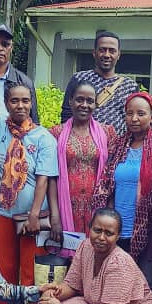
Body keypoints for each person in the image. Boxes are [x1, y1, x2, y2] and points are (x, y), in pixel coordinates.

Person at [0, 83, 58, 304]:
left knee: (30, 273)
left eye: (25, 101)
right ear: (7, 103)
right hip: (4, 215)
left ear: (32, 103)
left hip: (32, 218)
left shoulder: (43, 137)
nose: (20, 106)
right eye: (14, 101)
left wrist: (33, 213)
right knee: (4, 272)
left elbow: (43, 178)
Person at [91, 92, 152, 295]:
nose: (134, 119)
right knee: (117, 284)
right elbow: (108, 185)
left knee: (147, 287)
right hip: (118, 230)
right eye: (129, 113)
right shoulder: (119, 145)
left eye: (141, 113)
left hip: (151, 230)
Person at [47, 82, 115, 241]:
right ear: (70, 101)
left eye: (90, 101)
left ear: (95, 104)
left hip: (96, 207)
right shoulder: (56, 133)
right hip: (66, 207)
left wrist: (109, 210)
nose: (84, 105)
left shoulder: (107, 133)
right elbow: (51, 178)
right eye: (79, 99)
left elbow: (111, 175)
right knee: (68, 259)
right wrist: (55, 216)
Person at [61, 31, 139, 135]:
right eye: (102, 50)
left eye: (112, 51)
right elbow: (66, 114)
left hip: (117, 148)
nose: (107, 55)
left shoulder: (130, 86)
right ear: (94, 52)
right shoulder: (79, 79)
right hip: (84, 148)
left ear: (118, 54)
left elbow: (134, 120)